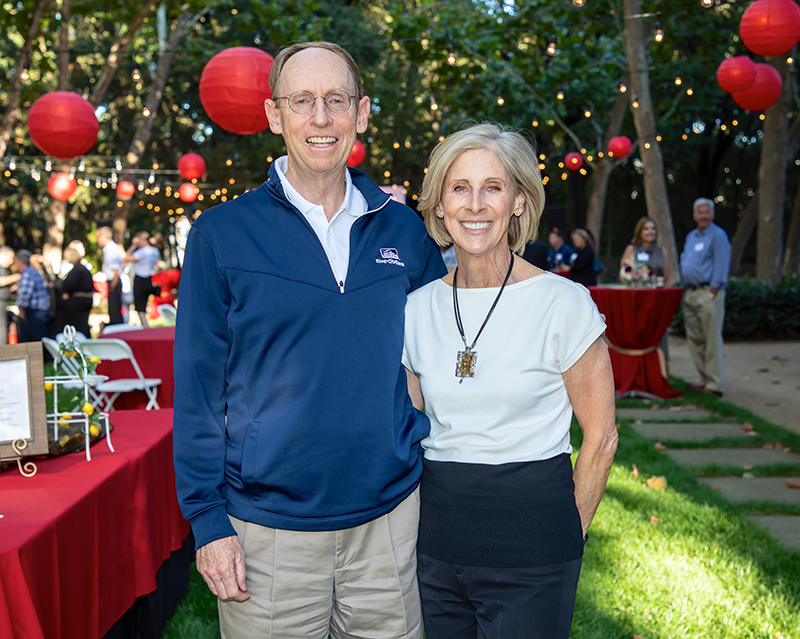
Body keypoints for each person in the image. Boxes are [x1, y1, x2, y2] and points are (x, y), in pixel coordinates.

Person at [173, 41, 446, 638]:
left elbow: (442, 359)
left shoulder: (406, 231)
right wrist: (207, 519)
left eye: (336, 100)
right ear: (275, 116)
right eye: (302, 101)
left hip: (391, 523)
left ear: (362, 113)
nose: (321, 118)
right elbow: (197, 391)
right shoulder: (221, 235)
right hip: (266, 534)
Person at [404, 123, 617, 638]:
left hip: (535, 549)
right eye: (460, 188)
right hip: (435, 548)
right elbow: (407, 429)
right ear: (439, 205)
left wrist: (571, 533)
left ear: (519, 201)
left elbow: (602, 437)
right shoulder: (416, 307)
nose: (475, 205)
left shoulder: (563, 303)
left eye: (492, 187)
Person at [680, 197, 731, 396]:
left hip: (708, 292)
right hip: (691, 292)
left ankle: (715, 383)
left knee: (711, 339)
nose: (703, 216)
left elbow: (722, 263)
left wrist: (714, 289)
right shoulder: (692, 236)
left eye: (706, 212)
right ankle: (703, 378)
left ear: (713, 214)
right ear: (694, 215)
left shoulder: (718, 236)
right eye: (700, 212)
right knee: (695, 339)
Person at [124, 231, 160, 327]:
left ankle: (146, 328)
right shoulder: (154, 251)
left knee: (140, 308)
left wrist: (133, 246)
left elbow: (125, 258)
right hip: (150, 279)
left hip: (140, 279)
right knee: (144, 306)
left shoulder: (142, 252)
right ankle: (146, 326)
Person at [13, 249, 51, 342]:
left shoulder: (27, 274)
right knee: (29, 337)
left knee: (39, 338)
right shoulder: (34, 272)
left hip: (34, 310)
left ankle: (49, 356)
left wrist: (21, 308)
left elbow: (25, 293)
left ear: (19, 261)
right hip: (40, 309)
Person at [620, 216, 670, 283]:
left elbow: (667, 279)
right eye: (646, 229)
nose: (650, 232)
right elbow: (622, 276)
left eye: (653, 228)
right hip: (636, 290)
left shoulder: (663, 251)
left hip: (657, 291)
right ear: (640, 232)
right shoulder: (631, 249)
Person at [60, 247, 95, 338]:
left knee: (77, 325)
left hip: (77, 302)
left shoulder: (76, 270)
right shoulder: (83, 269)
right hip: (86, 299)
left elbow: (69, 285)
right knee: (83, 323)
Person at [96, 227, 125, 325]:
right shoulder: (108, 249)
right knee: (112, 308)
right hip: (112, 280)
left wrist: (114, 283)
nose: (97, 240)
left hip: (114, 280)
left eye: (98, 237)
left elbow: (116, 267)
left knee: (114, 308)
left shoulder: (111, 249)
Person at [0, 246, 21, 345]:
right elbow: (1, 281)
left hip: (3, 302)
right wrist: (17, 276)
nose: (11, 261)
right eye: (10, 257)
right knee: (1, 326)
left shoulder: (5, 269)